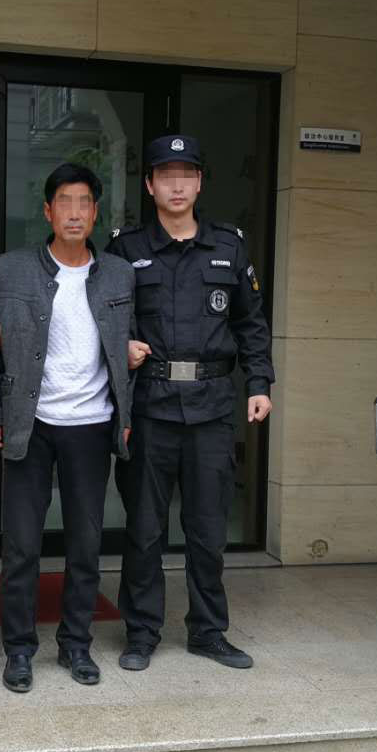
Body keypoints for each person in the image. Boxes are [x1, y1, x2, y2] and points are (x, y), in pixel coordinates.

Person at [107, 134, 274, 672]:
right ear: (149, 184)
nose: (176, 185)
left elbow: (250, 323)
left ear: (200, 183)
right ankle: (141, 633)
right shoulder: (126, 249)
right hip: (150, 409)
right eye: (166, 175)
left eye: (186, 175)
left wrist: (260, 384)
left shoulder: (229, 246)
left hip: (212, 409)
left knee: (207, 531)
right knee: (145, 530)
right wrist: (121, 349)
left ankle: (208, 631)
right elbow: (105, 319)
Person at [0, 164, 135, 693]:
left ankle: (76, 645)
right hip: (31, 423)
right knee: (21, 546)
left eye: (84, 202)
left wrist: (126, 416)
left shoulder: (119, 274)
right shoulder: (12, 269)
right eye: (64, 201)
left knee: (85, 545)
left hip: (91, 426)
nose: (74, 212)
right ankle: (19, 650)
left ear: (95, 212)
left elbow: (128, 349)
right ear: (47, 211)